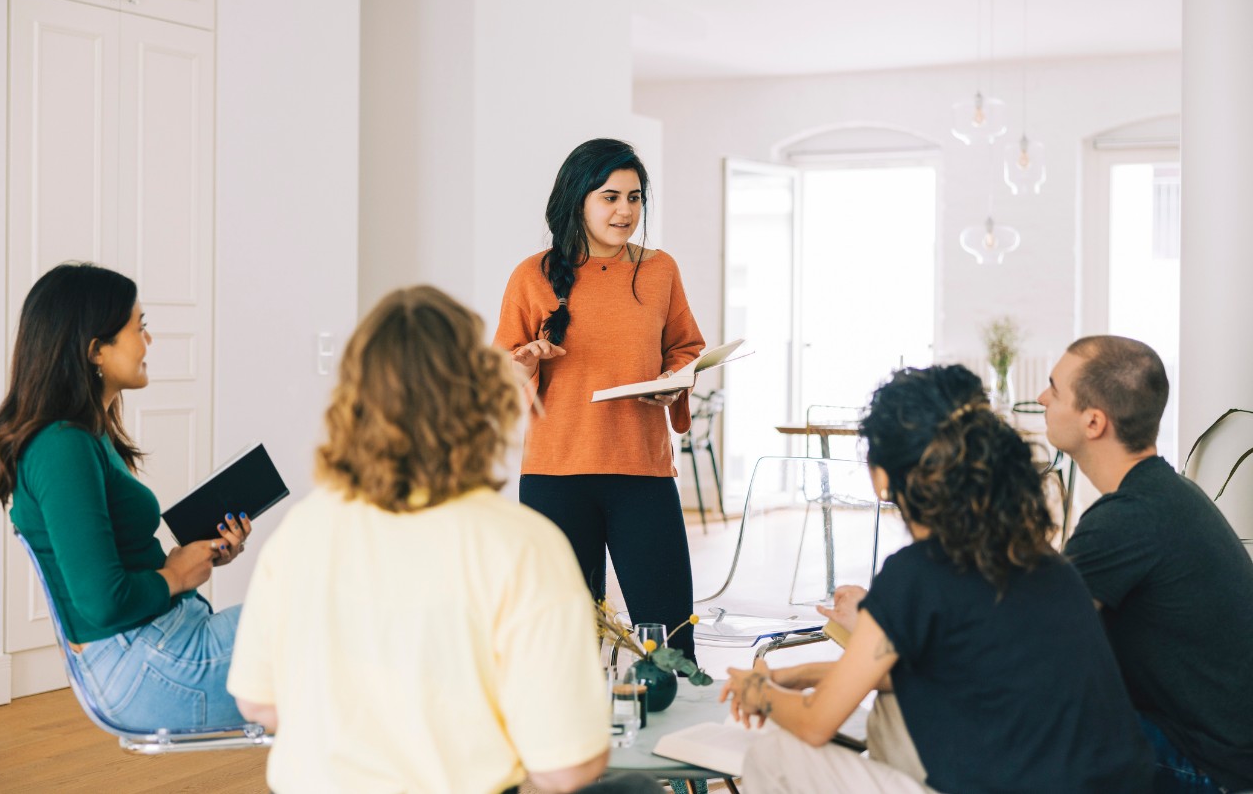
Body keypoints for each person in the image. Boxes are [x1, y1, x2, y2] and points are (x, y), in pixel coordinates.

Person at [227, 286, 657, 794]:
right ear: (478, 396)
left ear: (353, 401)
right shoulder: (522, 545)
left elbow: (258, 703)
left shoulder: (303, 528)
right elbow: (566, 769)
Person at [722, 365, 1153, 794]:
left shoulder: (917, 573)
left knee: (772, 755)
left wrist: (758, 691)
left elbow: (815, 723)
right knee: (896, 704)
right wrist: (804, 674)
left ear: (882, 477)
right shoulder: (1046, 562)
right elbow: (949, 673)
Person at [0, 263, 251, 730]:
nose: (149, 341)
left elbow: (116, 566)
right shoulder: (61, 447)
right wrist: (175, 575)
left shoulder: (86, 434)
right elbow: (102, 601)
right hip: (146, 664)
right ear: (95, 350)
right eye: (139, 328)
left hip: (158, 642)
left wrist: (191, 558)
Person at [493, 138, 705, 660]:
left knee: (671, 637)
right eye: (610, 197)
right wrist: (526, 362)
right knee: (563, 639)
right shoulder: (532, 275)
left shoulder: (660, 270)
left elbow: (686, 348)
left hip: (642, 470)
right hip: (555, 474)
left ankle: (675, 714)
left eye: (634, 198)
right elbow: (499, 373)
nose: (625, 211)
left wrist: (673, 379)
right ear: (577, 199)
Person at [1038, 335, 1253, 792]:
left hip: (1212, 769)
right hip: (1224, 748)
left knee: (1023, 720)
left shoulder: (1127, 517)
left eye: (1054, 389)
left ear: (1093, 421)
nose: (1041, 398)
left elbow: (1032, 639)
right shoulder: (1165, 493)